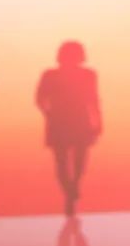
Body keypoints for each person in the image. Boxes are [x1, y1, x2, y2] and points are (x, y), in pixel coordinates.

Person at [36, 41, 102, 216]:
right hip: (61, 120)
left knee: (77, 161)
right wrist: (48, 114)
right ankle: (70, 192)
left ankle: (72, 189)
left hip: (77, 120)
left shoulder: (88, 75)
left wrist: (98, 121)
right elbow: (40, 98)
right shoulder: (50, 75)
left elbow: (93, 99)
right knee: (63, 162)